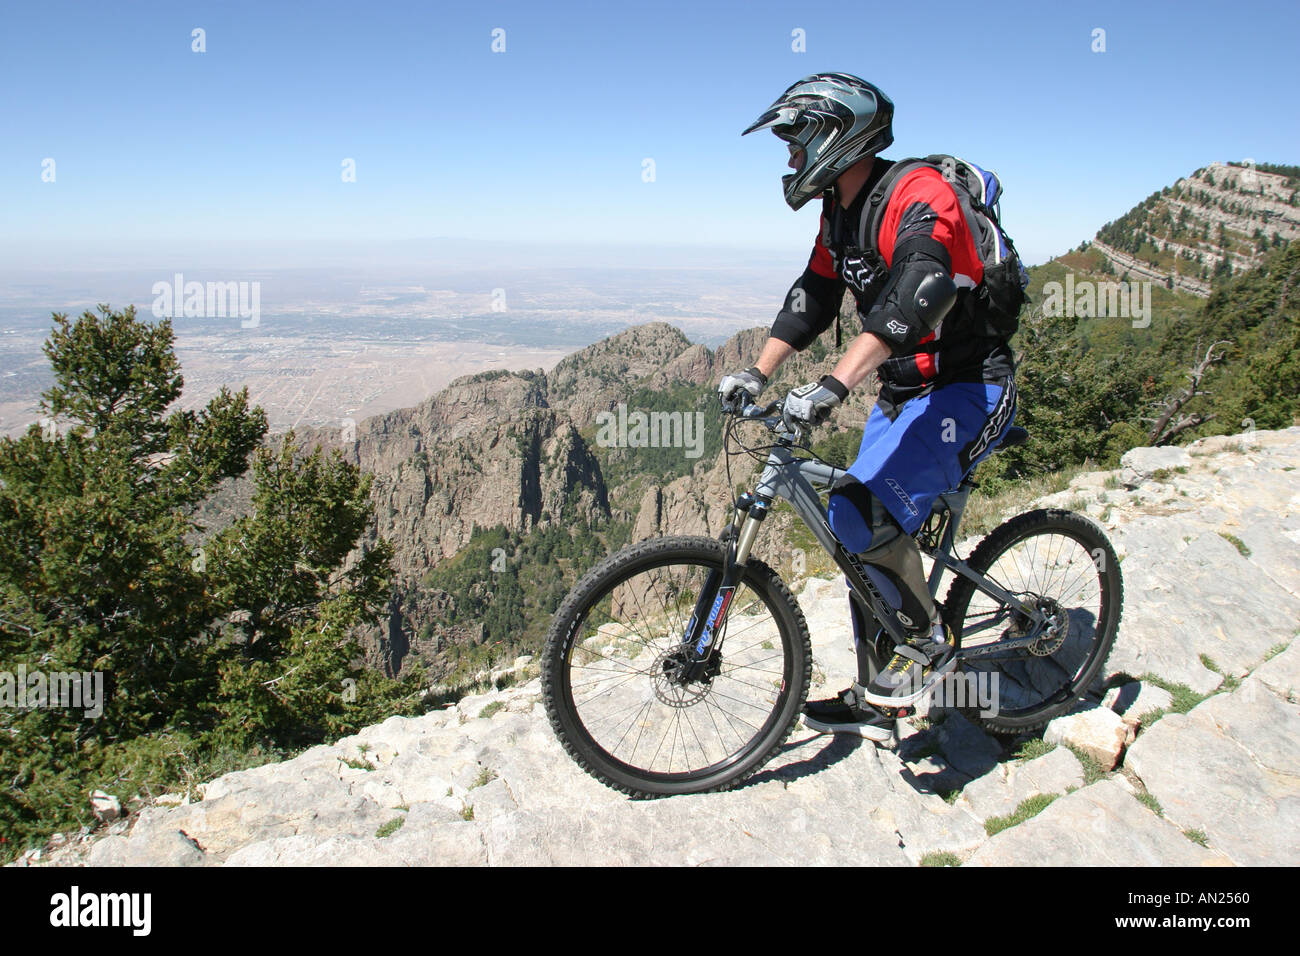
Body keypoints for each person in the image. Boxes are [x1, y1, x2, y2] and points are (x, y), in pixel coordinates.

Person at [719, 72, 1017, 740]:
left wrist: (835, 383)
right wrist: (756, 371)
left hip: (969, 388)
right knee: (855, 534)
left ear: (838, 138)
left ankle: (929, 650)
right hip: (905, 393)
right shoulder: (841, 212)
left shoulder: (919, 194)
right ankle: (876, 692)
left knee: (861, 512)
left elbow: (922, 287)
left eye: (797, 145)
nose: (791, 160)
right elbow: (814, 293)